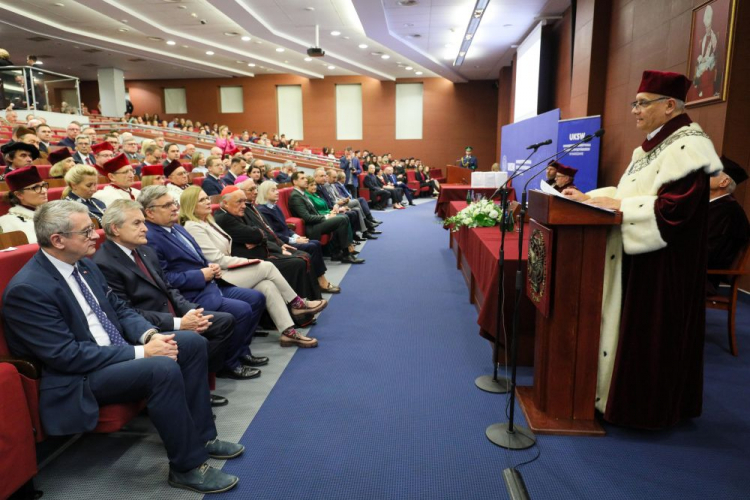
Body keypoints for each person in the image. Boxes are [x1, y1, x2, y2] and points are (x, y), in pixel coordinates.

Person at [2, 201, 243, 494]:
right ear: (58, 240)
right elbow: (67, 356)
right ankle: (187, 466)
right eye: (87, 231)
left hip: (113, 354)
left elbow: (120, 309)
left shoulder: (86, 265)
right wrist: (143, 352)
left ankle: (203, 436)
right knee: (160, 367)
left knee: (190, 342)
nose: (96, 235)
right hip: (78, 376)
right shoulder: (28, 289)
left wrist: (150, 336)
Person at [562, 70, 722, 429]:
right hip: (637, 256)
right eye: (634, 103)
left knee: (647, 337)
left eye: (641, 103)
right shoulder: (649, 148)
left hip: (661, 266)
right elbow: (631, 196)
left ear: (669, 106)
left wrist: (615, 210)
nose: (634, 110)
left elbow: (673, 211)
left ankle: (641, 409)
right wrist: (592, 198)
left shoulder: (688, 146)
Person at [92, 199, 238, 406]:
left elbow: (168, 288)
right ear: (115, 228)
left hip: (172, 315)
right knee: (196, 341)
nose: (145, 229)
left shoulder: (144, 250)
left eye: (144, 222)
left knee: (224, 321)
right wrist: (178, 323)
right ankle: (184, 392)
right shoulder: (104, 263)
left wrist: (191, 312)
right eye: (137, 223)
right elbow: (126, 312)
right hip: (147, 327)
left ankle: (192, 384)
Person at [138, 186, 267, 379]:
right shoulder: (151, 238)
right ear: (150, 212)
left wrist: (210, 266)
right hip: (191, 294)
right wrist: (201, 274)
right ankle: (228, 364)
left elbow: (196, 258)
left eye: (174, 203)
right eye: (167, 205)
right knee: (241, 310)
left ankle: (241, 353)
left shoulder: (177, 228)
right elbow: (164, 279)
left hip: (210, 285)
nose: (175, 208)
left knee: (256, 298)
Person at [180, 187, 322, 347]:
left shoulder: (208, 221)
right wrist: (247, 261)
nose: (207, 202)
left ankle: (288, 332)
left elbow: (241, 241)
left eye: (207, 198)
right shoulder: (193, 226)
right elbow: (218, 259)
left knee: (267, 285)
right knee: (266, 266)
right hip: (220, 277)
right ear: (190, 205)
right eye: (201, 200)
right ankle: (297, 303)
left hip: (228, 269)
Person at [215, 184, 325, 299]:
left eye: (244, 201)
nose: (243, 205)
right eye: (239, 202)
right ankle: (299, 304)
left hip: (264, 249)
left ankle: (310, 300)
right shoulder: (224, 217)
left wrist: (268, 241)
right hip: (252, 258)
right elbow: (257, 234)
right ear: (226, 203)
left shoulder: (237, 211)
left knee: (304, 256)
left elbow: (261, 232)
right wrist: (260, 239)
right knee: (298, 262)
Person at [255, 180, 340, 293]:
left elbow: (285, 227)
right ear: (265, 192)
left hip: (287, 238)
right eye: (273, 190)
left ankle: (318, 279)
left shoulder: (275, 207)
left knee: (315, 243)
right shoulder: (263, 211)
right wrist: (294, 239)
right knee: (312, 246)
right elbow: (274, 234)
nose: (277, 192)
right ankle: (320, 281)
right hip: (281, 243)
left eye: (276, 189)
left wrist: (296, 236)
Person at [288, 172, 362, 263]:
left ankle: (338, 252)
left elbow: (314, 212)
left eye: (305, 178)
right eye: (302, 178)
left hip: (316, 223)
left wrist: (327, 215)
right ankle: (346, 254)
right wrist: (326, 217)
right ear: (295, 182)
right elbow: (307, 218)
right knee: (342, 219)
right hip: (311, 227)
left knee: (343, 217)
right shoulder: (295, 196)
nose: (306, 180)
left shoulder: (302, 194)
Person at [707, 156, 750, 295]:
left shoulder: (729, 212)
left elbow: (711, 250)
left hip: (702, 275)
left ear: (724, 182)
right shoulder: (711, 206)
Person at [0, 165, 48, 243]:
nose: (44, 191)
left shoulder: (55, 212)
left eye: (43, 185)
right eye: (35, 187)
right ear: (19, 195)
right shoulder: (8, 222)